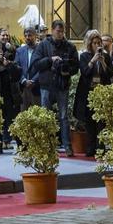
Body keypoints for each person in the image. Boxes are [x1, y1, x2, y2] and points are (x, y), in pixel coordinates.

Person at [31, 19, 79, 154]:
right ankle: (47, 144)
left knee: (64, 116)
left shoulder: (70, 47)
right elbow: (36, 64)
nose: (60, 34)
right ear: (52, 31)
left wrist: (67, 69)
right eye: (58, 31)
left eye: (63, 32)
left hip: (62, 85)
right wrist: (50, 60)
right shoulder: (43, 45)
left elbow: (75, 66)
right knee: (46, 115)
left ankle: (67, 146)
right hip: (46, 85)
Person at [74, 31, 113, 158]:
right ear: (90, 44)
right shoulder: (85, 56)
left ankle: (101, 147)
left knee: (101, 121)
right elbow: (85, 72)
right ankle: (91, 147)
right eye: (95, 43)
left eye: (99, 43)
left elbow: (110, 74)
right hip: (88, 92)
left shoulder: (106, 57)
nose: (97, 45)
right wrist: (93, 60)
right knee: (90, 121)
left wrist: (102, 62)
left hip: (102, 92)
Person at [16, 28, 43, 109]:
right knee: (23, 116)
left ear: (35, 36)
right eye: (26, 36)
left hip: (36, 88)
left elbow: (43, 68)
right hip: (23, 88)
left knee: (38, 115)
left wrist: (33, 81)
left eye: (30, 35)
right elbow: (16, 67)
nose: (27, 37)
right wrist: (24, 80)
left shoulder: (41, 50)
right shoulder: (19, 51)